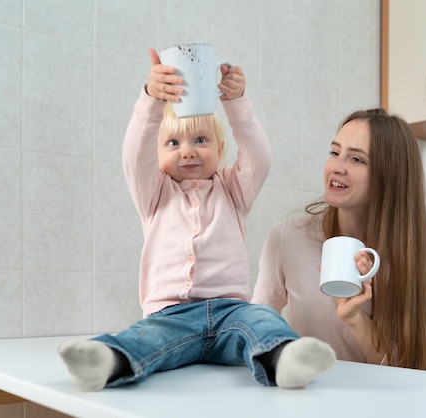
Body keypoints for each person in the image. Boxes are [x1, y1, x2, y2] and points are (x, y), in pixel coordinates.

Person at [58, 48, 336, 391]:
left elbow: (260, 157)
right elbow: (134, 154)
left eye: (200, 140)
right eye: (172, 142)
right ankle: (105, 361)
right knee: (143, 339)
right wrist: (151, 101)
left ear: (220, 150)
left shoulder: (233, 189)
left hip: (231, 313)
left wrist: (237, 103)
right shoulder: (153, 193)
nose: (187, 150)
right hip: (169, 316)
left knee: (262, 319)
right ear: (157, 156)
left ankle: (284, 360)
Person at [252, 108, 426, 372]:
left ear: (388, 176)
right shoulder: (288, 236)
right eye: (335, 153)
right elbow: (253, 328)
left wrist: (355, 318)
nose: (337, 167)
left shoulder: (416, 253)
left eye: (356, 159)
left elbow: (408, 371)